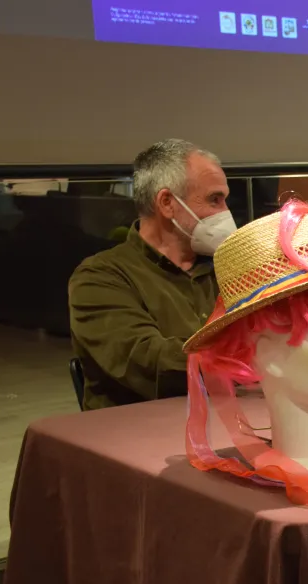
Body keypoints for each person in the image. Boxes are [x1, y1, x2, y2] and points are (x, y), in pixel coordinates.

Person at [68, 138, 235, 410]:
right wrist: (247, 356)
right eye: (214, 200)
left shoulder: (228, 267)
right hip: (139, 436)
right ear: (167, 203)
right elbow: (148, 362)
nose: (225, 213)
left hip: (231, 421)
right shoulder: (100, 277)